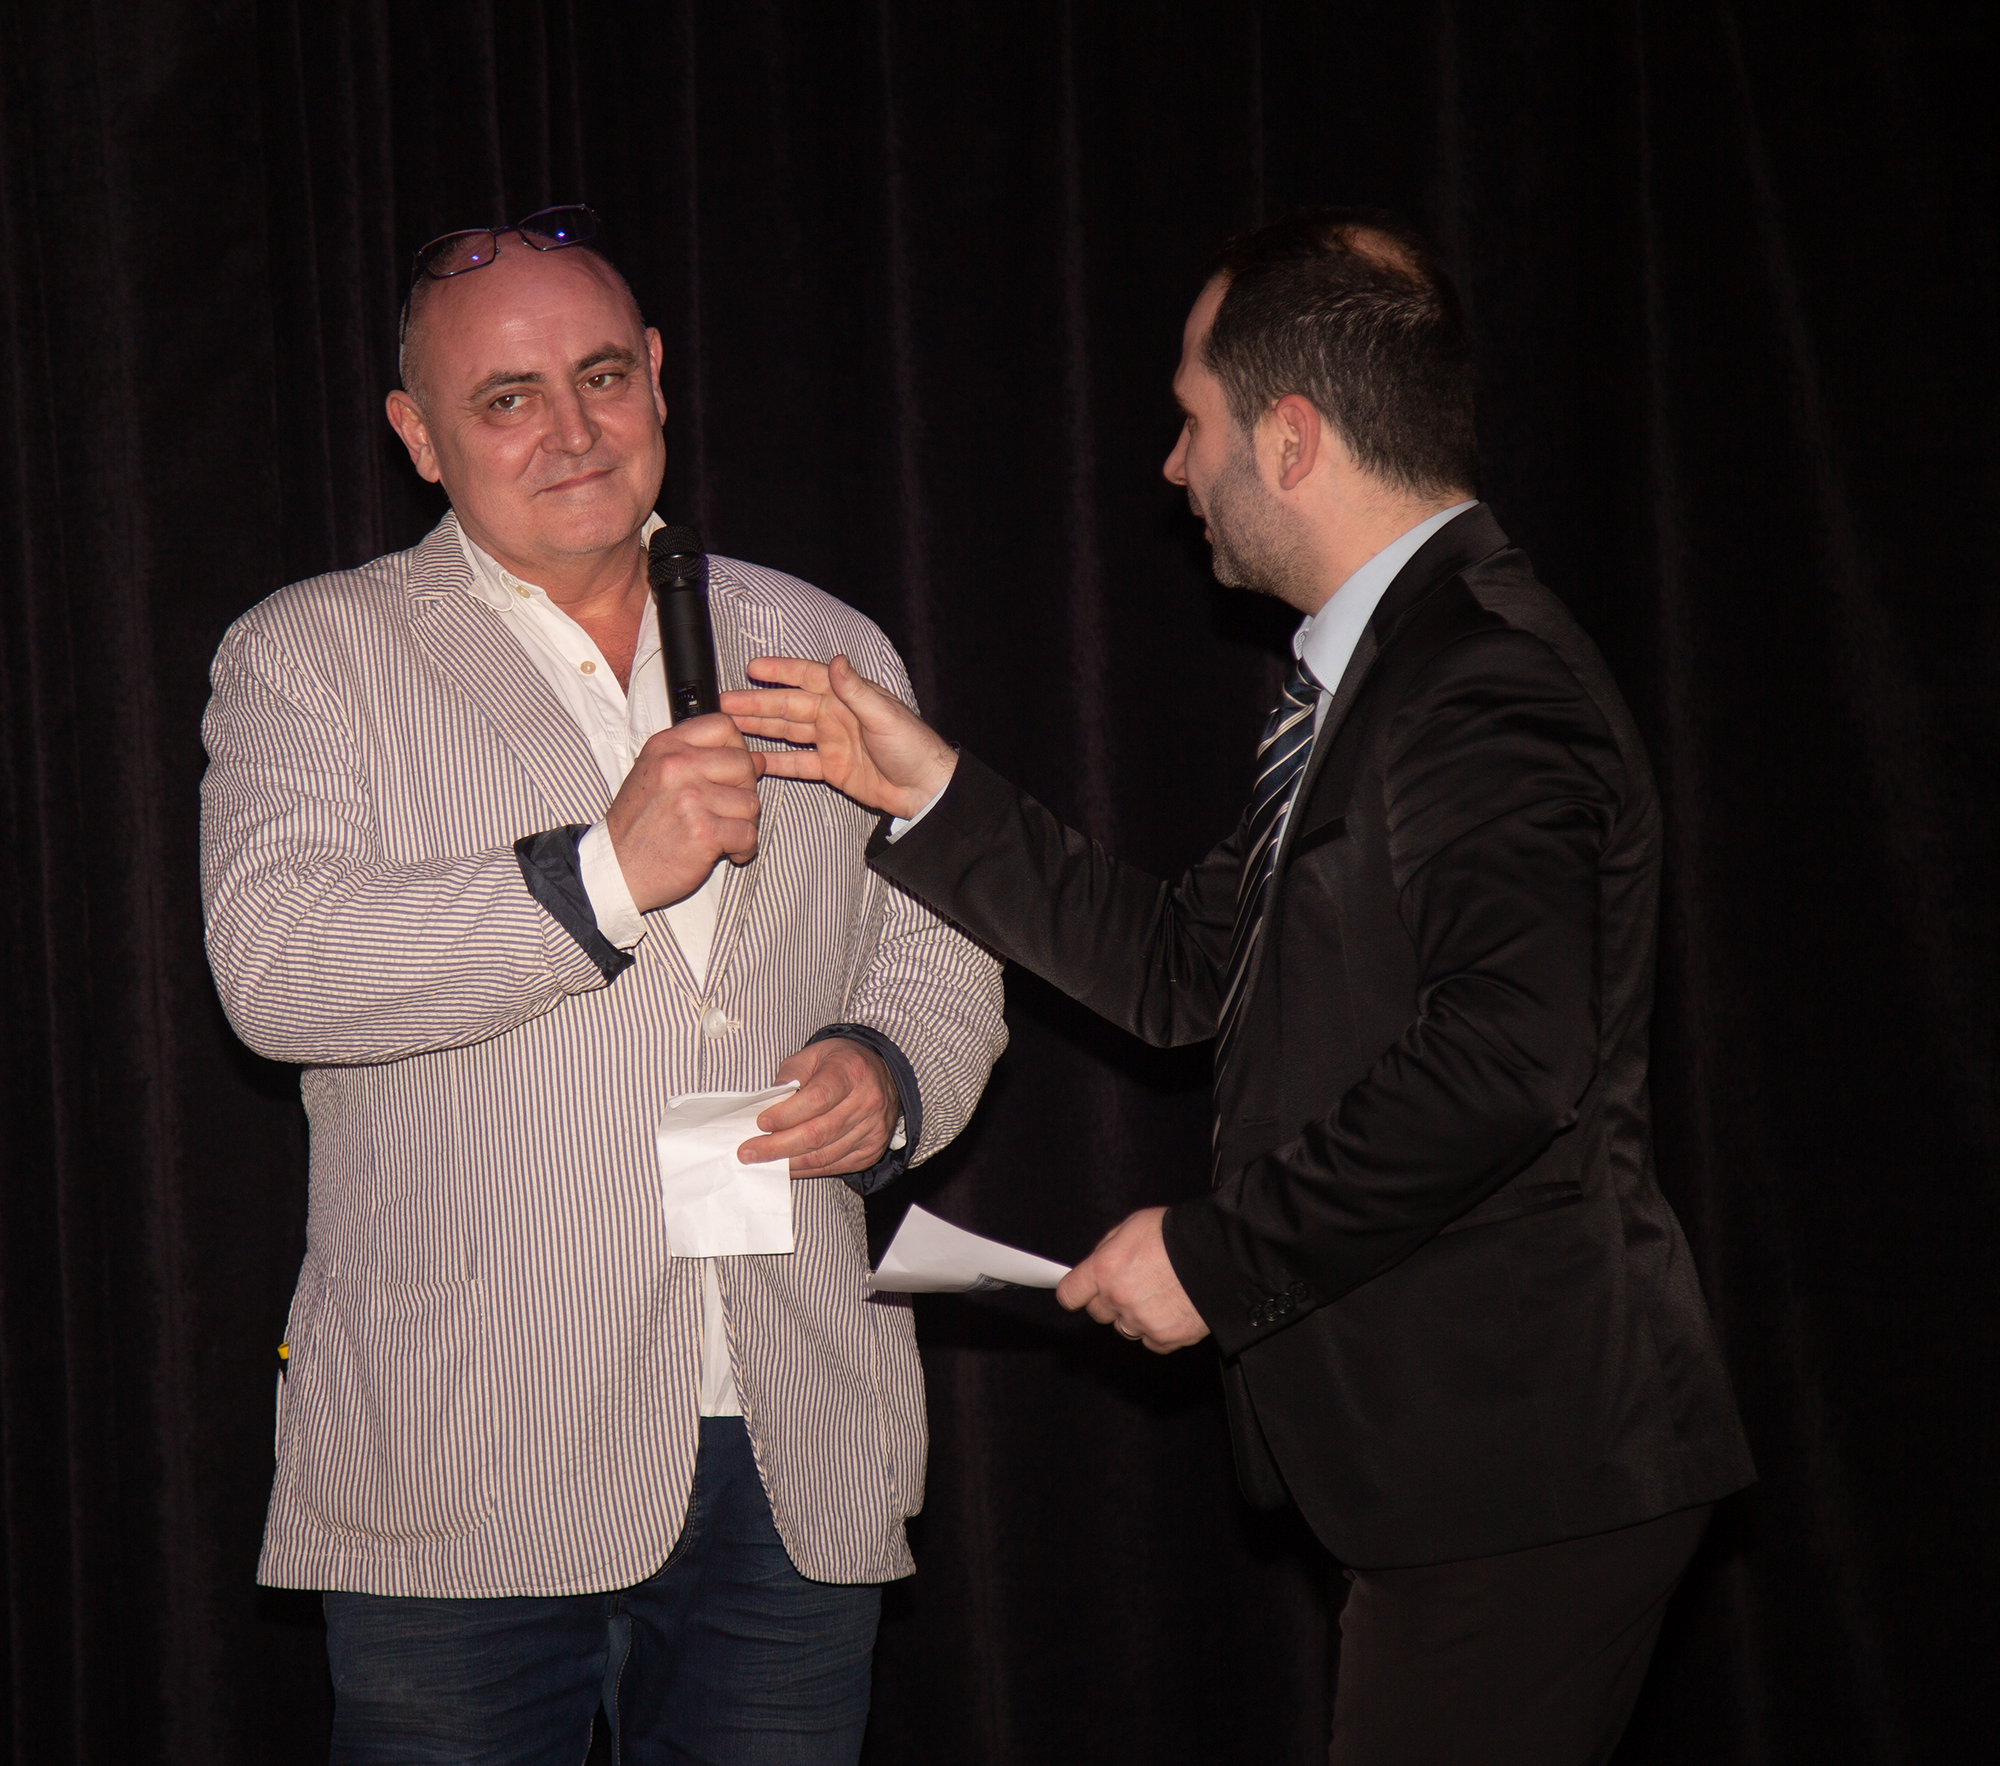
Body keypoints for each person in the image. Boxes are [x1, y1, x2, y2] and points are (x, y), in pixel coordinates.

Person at [724, 209, 1755, 1764]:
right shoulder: (1383, 672)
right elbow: (1179, 965)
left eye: (1190, 421)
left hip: (1520, 1460)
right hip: (1462, 1464)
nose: (1170, 465)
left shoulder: (1481, 678)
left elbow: (1508, 1059)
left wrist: (1218, 1255)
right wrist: (927, 786)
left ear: (1289, 438)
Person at [200, 207, 1005, 1765]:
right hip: (468, 1455)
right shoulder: (314, 654)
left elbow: (943, 940)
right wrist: (601, 875)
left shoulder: (819, 641)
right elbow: (278, 965)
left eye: (601, 376)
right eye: (506, 398)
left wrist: (890, 1068)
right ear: (417, 436)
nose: (571, 431)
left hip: (794, 1437)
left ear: (658, 376)